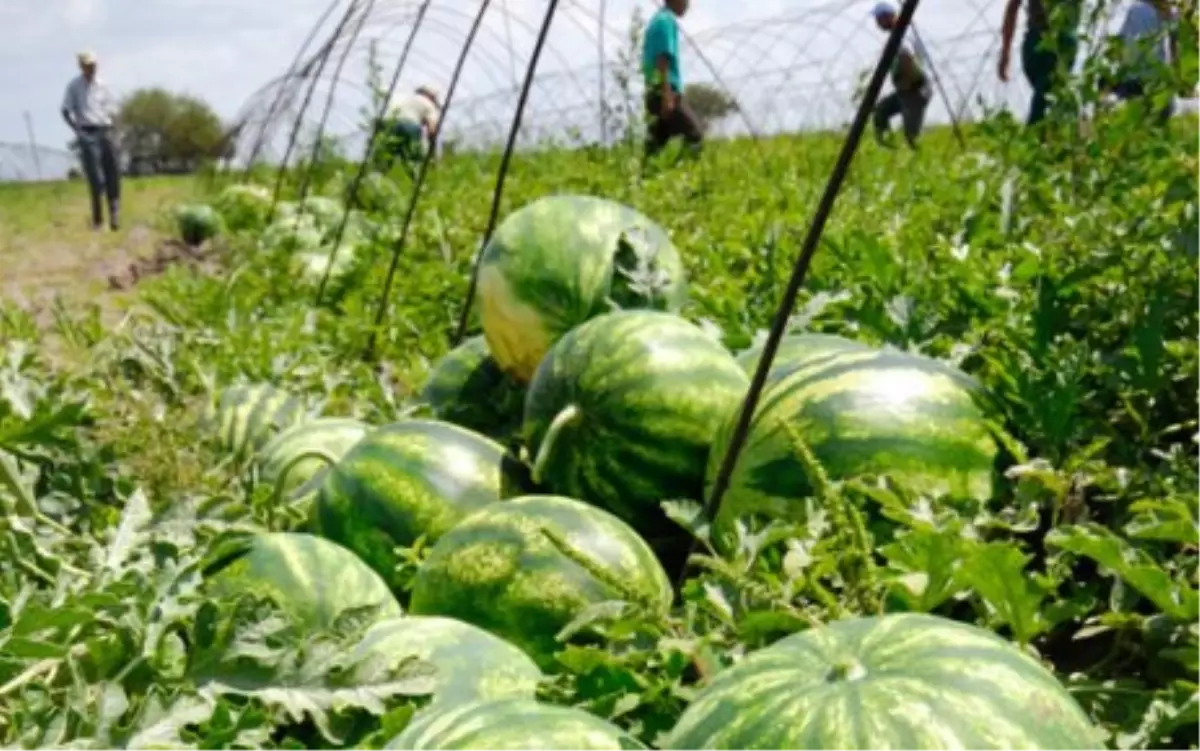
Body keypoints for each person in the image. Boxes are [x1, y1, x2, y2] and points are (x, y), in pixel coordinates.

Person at [61, 51, 121, 231]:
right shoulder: (74, 86)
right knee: (95, 177)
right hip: (87, 132)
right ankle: (98, 220)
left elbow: (113, 109)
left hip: (105, 129)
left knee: (112, 171)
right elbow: (65, 110)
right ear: (81, 66)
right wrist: (77, 130)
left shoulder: (103, 85)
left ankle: (114, 213)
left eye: (93, 65)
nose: (91, 68)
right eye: (87, 65)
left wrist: (115, 129)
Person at [999, 0, 1083, 126]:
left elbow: (1013, 8)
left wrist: (1005, 53)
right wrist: (1005, 53)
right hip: (1041, 41)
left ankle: (1039, 134)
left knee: (1052, 97)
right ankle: (1039, 135)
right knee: (1052, 95)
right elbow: (1013, 8)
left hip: (1060, 40)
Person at [642, 0, 703, 163]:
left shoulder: (657, 20)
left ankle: (643, 181)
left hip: (655, 91)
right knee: (695, 135)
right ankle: (684, 178)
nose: (688, 5)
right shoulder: (666, 21)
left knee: (655, 145)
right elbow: (662, 59)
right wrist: (667, 95)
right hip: (666, 91)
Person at [870, 2, 933, 150]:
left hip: (915, 89)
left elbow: (907, 58)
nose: (877, 24)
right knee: (881, 111)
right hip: (906, 90)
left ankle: (917, 156)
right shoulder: (897, 35)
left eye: (879, 19)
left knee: (911, 135)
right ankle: (889, 148)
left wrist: (907, 81)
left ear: (888, 17)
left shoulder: (901, 35)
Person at [1110, 0, 1178, 124]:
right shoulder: (1170, 12)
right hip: (1155, 75)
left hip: (1133, 74)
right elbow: (1174, 49)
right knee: (1158, 121)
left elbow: (1120, 41)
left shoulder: (1133, 8)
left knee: (1135, 122)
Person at [380, 86, 442, 174]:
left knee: (385, 158)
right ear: (431, 96)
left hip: (388, 124)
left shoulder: (404, 98)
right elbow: (432, 131)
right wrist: (432, 156)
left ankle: (376, 178)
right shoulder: (429, 104)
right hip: (409, 126)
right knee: (412, 161)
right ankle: (417, 183)